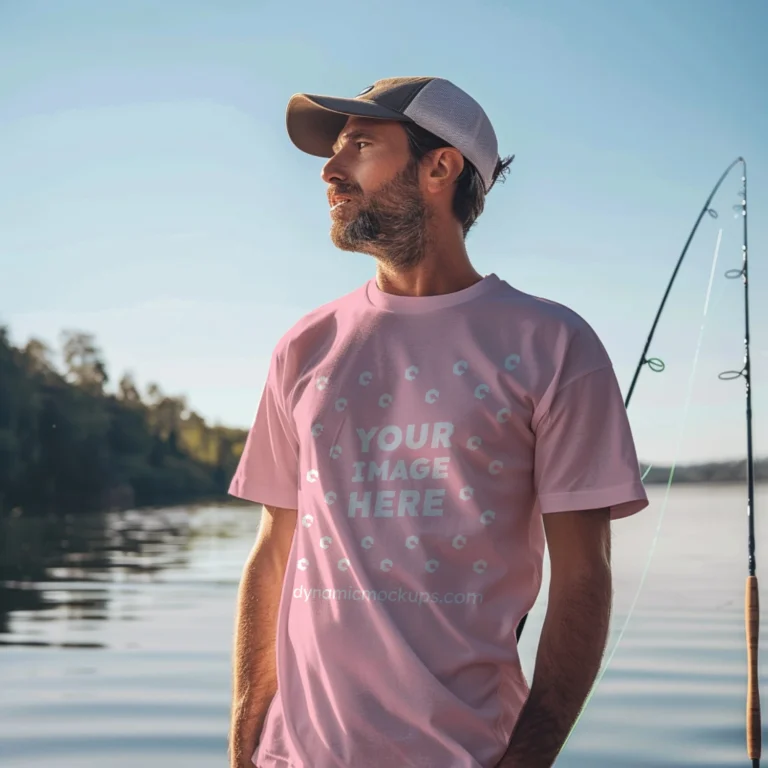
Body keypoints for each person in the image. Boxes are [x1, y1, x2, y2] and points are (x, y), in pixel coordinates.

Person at [228, 76, 649, 768]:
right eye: (334, 151)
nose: (330, 170)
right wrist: (246, 741)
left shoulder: (552, 345)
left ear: (440, 166)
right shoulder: (303, 346)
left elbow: (584, 575)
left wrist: (527, 759)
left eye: (359, 145)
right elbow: (275, 551)